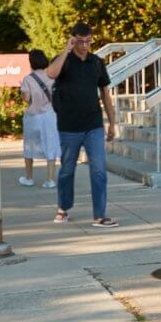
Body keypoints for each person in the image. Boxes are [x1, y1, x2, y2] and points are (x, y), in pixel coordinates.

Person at [46, 22, 118, 228]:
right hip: (69, 126)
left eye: (88, 41)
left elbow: (105, 94)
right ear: (73, 39)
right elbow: (51, 74)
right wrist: (66, 50)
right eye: (80, 41)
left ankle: (100, 215)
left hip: (93, 125)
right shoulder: (65, 61)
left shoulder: (96, 62)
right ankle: (63, 207)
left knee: (99, 170)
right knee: (67, 169)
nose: (85, 45)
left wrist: (112, 123)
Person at [19, 49, 60, 189]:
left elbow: (26, 99)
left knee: (29, 146)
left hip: (33, 117)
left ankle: (29, 177)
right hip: (49, 115)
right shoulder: (51, 77)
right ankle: (50, 180)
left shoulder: (27, 79)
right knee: (50, 146)